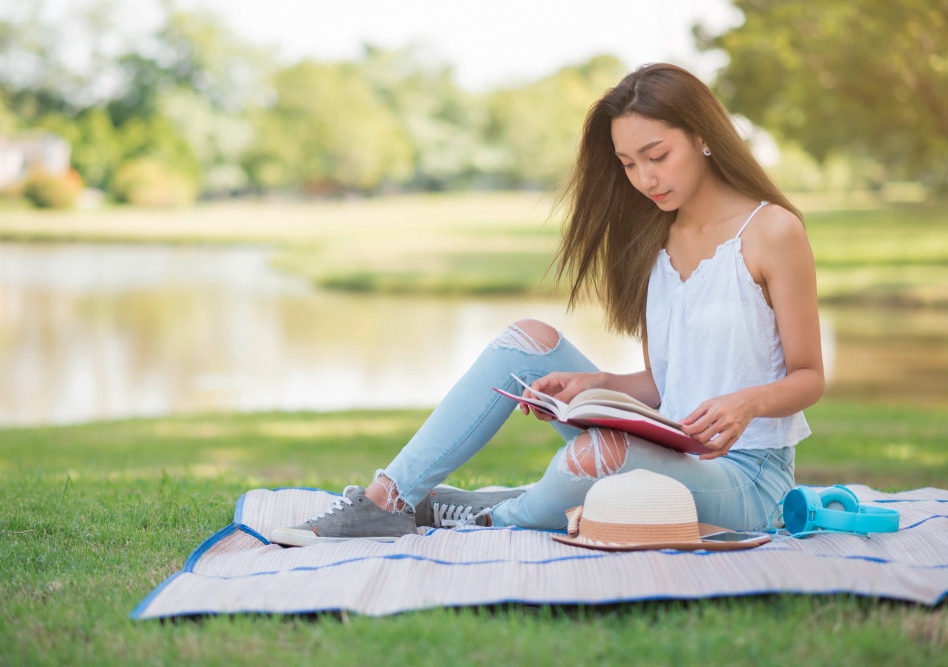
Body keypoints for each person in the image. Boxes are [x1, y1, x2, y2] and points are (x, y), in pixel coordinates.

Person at [269, 62, 825, 546]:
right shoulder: (653, 240)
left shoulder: (771, 231)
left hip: (749, 480)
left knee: (595, 457)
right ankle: (387, 500)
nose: (645, 178)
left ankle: (486, 515)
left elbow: (808, 376)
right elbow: (666, 385)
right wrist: (596, 383)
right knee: (528, 340)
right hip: (672, 445)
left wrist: (748, 403)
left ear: (703, 136)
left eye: (657, 155)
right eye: (628, 164)